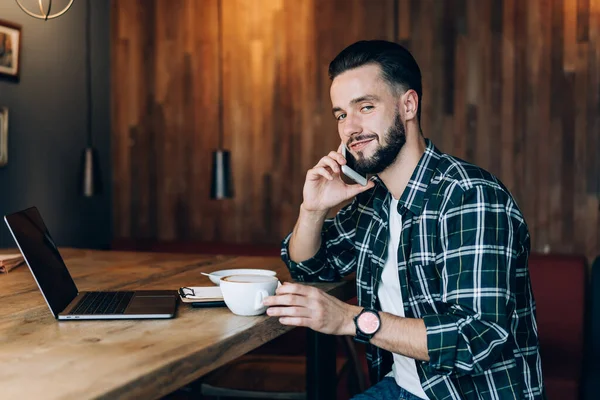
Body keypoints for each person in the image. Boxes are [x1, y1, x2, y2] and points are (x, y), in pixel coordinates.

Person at [262, 40, 545, 399]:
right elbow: (311, 267)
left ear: (408, 105)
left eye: (365, 106)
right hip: (403, 388)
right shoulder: (375, 200)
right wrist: (313, 209)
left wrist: (350, 319)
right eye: (341, 115)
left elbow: (477, 337)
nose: (349, 128)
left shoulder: (469, 196)